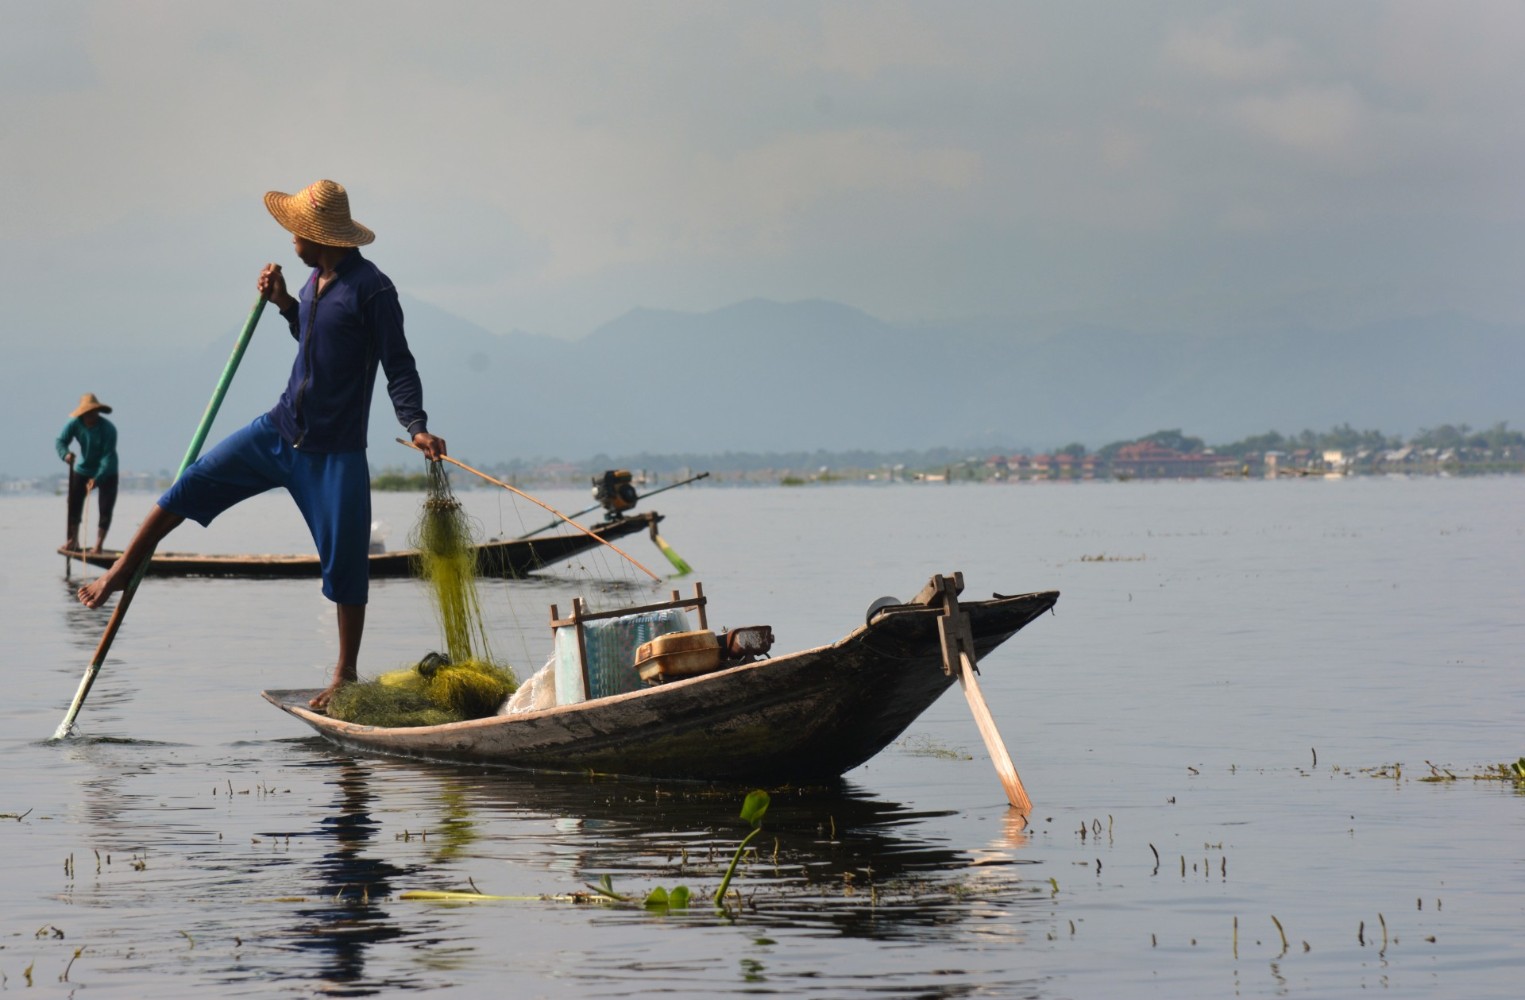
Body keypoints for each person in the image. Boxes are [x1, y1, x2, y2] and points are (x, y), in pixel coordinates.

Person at [77, 179, 446, 712]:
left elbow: (399, 365)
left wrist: (416, 426)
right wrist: (282, 304)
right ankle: (120, 571)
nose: (288, 239)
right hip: (278, 431)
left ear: (319, 236)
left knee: (346, 565)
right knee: (189, 485)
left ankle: (345, 672)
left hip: (334, 453)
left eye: (296, 230)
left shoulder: (372, 289)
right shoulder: (315, 281)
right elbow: (316, 338)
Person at [57, 392, 120, 553]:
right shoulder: (74, 424)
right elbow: (61, 441)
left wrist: (97, 479)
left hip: (107, 471)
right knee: (73, 502)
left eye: (93, 412)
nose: (91, 416)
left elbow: (107, 457)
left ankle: (98, 544)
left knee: (105, 507)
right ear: (82, 413)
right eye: (87, 413)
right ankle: (73, 539)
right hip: (84, 468)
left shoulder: (108, 429)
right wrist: (66, 454)